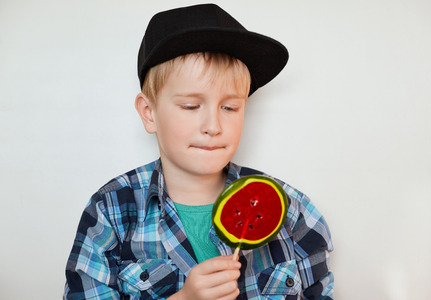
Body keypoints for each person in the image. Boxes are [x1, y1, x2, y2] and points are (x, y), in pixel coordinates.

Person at [64, 4, 334, 299]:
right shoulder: (110, 212)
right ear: (149, 113)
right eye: (191, 106)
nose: (213, 126)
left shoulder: (293, 211)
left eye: (230, 107)